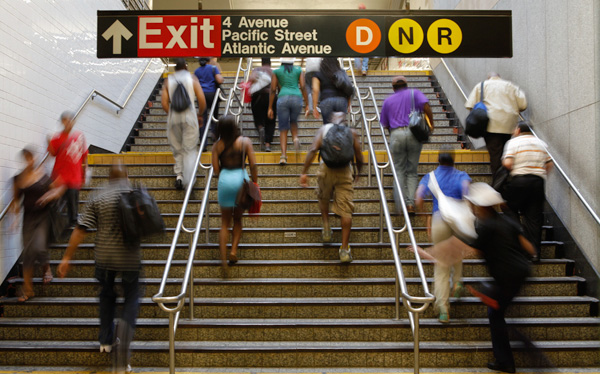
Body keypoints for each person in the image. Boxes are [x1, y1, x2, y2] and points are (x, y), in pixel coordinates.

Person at [410, 183, 536, 374]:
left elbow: (456, 250)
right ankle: (507, 357)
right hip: (520, 273)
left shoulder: (485, 229)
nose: (471, 208)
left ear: (480, 207)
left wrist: (424, 253)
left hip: (506, 278)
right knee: (498, 313)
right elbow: (529, 247)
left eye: (473, 205)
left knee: (497, 314)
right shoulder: (508, 220)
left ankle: (513, 359)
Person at [57, 163, 140, 374]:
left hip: (104, 257)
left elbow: (81, 229)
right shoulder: (134, 193)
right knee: (132, 298)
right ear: (126, 176)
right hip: (129, 258)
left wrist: (66, 257)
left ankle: (105, 340)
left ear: (109, 178)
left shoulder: (98, 196)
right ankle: (124, 335)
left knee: (106, 296)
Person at [299, 112, 364, 263]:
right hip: (345, 171)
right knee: (346, 209)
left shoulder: (324, 129)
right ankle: (344, 249)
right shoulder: (352, 132)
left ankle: (327, 227)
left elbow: (313, 149)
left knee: (323, 196)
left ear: (331, 119)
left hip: (326, 169)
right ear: (345, 121)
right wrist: (358, 173)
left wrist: (304, 172)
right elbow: (359, 156)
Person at [415, 151, 471, 322]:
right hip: (459, 219)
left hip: (439, 219)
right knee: (457, 250)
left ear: (438, 160)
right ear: (454, 160)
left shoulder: (430, 176)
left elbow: (418, 199)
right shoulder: (462, 175)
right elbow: (468, 194)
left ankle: (443, 309)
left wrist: (426, 217)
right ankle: (459, 281)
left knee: (441, 266)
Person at [11, 147, 65, 301]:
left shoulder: (42, 176)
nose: (30, 161)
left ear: (34, 159)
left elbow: (57, 191)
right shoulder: (18, 178)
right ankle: (28, 290)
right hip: (28, 218)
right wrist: (14, 218)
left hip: (43, 217)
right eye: (26, 158)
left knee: (40, 246)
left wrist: (47, 197)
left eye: (31, 158)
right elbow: (16, 200)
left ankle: (46, 268)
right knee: (27, 252)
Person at [380, 75, 434, 213]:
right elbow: (426, 106)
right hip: (413, 133)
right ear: (406, 85)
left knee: (399, 170)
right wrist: (431, 124)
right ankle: (410, 204)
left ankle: (400, 205)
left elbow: (385, 124)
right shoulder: (414, 93)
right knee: (411, 171)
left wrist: (394, 134)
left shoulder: (387, 101)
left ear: (393, 88)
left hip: (396, 134)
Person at [212, 115, 258, 269]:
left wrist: (224, 176)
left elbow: (216, 170)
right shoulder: (245, 142)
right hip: (240, 180)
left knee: (225, 223)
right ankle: (233, 251)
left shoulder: (217, 146)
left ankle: (223, 258)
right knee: (237, 219)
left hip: (225, 180)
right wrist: (255, 182)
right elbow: (253, 165)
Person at [502, 121, 552, 261]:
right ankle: (534, 254)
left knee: (507, 207)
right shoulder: (541, 143)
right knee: (534, 218)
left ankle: (519, 235)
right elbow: (549, 164)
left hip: (520, 181)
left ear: (518, 130)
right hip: (538, 183)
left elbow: (507, 163)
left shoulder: (513, 143)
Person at [465, 72, 527, 186]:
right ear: (499, 77)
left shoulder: (482, 85)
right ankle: (507, 181)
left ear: (489, 78)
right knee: (507, 153)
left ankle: (498, 186)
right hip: (509, 126)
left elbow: (470, 105)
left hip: (491, 126)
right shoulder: (510, 86)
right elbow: (523, 105)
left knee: (495, 155)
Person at [162, 58, 206, 190]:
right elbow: (202, 100)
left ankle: (179, 176)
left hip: (174, 119)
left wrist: (172, 114)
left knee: (178, 149)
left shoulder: (168, 81)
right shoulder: (192, 79)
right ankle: (189, 180)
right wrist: (199, 114)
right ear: (186, 67)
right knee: (189, 149)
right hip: (190, 118)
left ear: (175, 69)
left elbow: (164, 103)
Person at [48, 111, 88, 226]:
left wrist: (85, 172)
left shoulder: (79, 137)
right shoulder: (57, 138)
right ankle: (55, 226)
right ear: (62, 122)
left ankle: (73, 222)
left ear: (73, 121)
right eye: (65, 120)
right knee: (56, 202)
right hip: (60, 176)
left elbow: (84, 155)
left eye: (69, 120)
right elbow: (52, 153)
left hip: (75, 175)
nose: (67, 123)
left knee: (73, 201)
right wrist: (49, 142)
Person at [268, 57, 308, 165]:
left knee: (283, 127)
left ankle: (283, 156)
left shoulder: (276, 71)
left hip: (283, 98)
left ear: (281, 61)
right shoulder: (299, 70)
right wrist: (307, 104)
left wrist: (270, 107)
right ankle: (295, 138)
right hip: (297, 97)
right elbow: (303, 86)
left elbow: (272, 89)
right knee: (293, 121)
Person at [312, 57, 353, 124]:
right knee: (340, 126)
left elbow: (315, 90)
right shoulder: (341, 72)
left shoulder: (318, 73)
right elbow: (348, 86)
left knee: (328, 128)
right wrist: (349, 103)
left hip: (326, 100)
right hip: (341, 100)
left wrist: (314, 107)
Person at [249, 58, 276, 152]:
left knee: (258, 116)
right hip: (271, 96)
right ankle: (268, 145)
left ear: (262, 62)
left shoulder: (257, 70)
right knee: (270, 121)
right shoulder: (273, 72)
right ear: (270, 63)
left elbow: (251, 79)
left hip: (257, 96)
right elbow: (276, 85)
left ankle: (260, 127)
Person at [194, 57, 224, 141]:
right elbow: (220, 80)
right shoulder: (213, 68)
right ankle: (214, 135)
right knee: (214, 115)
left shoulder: (196, 71)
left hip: (201, 95)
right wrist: (221, 78)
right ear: (208, 60)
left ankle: (203, 143)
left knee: (202, 118)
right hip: (212, 94)